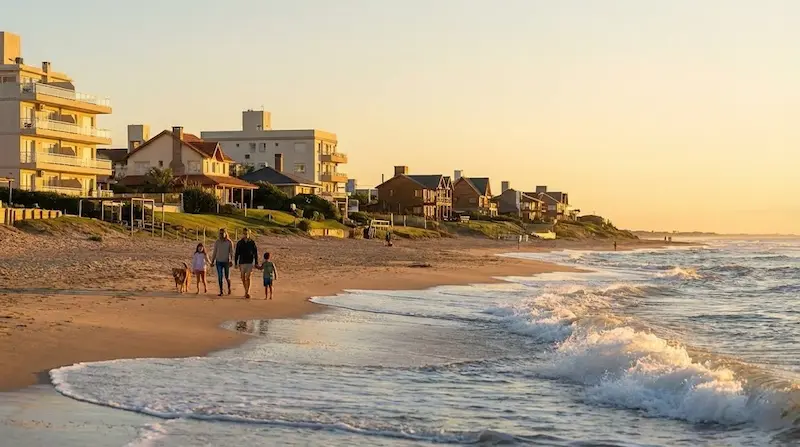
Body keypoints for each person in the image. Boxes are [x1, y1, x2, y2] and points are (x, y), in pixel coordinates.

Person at [234, 228, 259, 299]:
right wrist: (236, 263)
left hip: (250, 262)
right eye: (244, 233)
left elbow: (255, 253)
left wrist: (256, 262)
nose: (245, 235)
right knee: (242, 277)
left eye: (246, 233)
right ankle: (246, 290)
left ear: (249, 234)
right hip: (242, 262)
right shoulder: (240, 243)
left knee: (248, 277)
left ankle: (247, 292)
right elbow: (237, 253)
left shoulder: (252, 242)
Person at [211, 228, 234, 297]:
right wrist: (212, 261)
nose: (221, 235)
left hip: (226, 261)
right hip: (219, 261)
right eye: (220, 233)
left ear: (225, 233)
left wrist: (231, 260)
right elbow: (214, 252)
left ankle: (229, 288)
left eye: (222, 233)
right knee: (220, 276)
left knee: (227, 277)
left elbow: (231, 252)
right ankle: (221, 291)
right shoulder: (217, 242)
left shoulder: (229, 242)